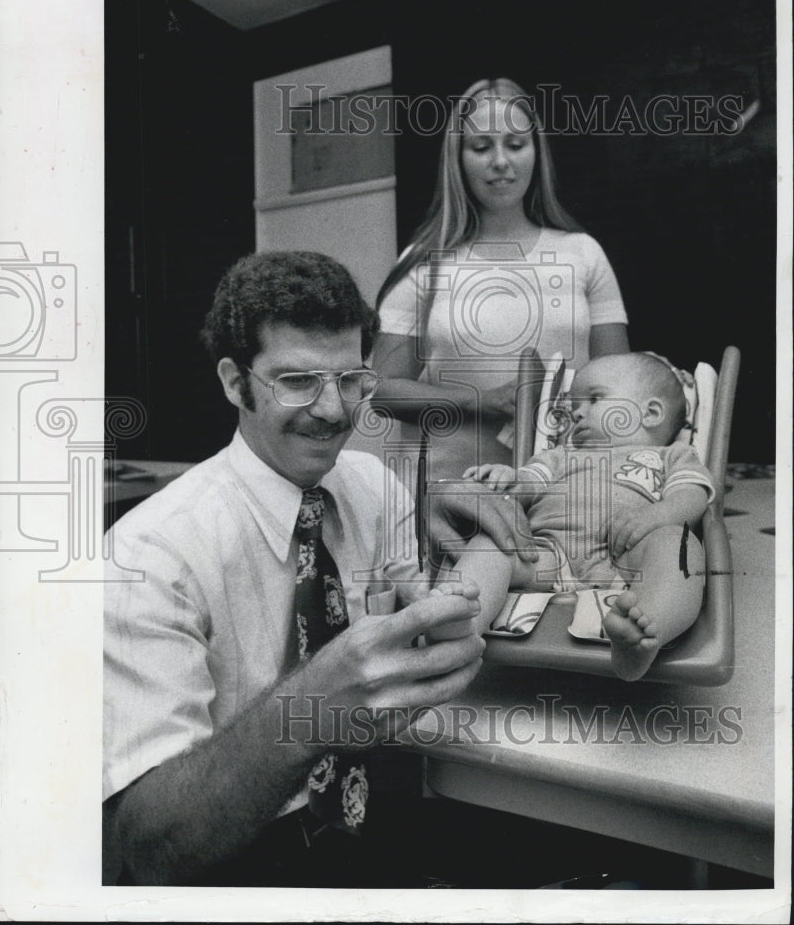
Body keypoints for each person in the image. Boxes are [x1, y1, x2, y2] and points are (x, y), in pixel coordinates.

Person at [101, 250, 500, 887]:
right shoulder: (148, 556)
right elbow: (151, 846)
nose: (335, 411)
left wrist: (485, 537)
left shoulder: (372, 485)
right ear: (235, 383)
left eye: (351, 380)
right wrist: (310, 710)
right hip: (233, 867)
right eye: (296, 382)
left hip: (371, 820)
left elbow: (425, 627)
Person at [373, 76, 630, 482]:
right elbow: (382, 392)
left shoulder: (583, 253)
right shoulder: (424, 263)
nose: (500, 161)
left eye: (515, 144)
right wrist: (482, 402)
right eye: (481, 147)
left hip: (565, 493)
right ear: (457, 159)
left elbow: (621, 385)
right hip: (451, 493)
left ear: (536, 152)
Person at [432, 353, 714, 681]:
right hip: (547, 554)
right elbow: (526, 485)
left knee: (679, 544)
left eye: (594, 399)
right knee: (494, 542)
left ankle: (646, 630)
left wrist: (656, 516)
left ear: (650, 413)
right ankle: (461, 620)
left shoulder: (673, 455)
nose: (577, 413)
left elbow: (691, 497)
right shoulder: (559, 455)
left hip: (627, 557)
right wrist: (505, 479)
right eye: (572, 408)